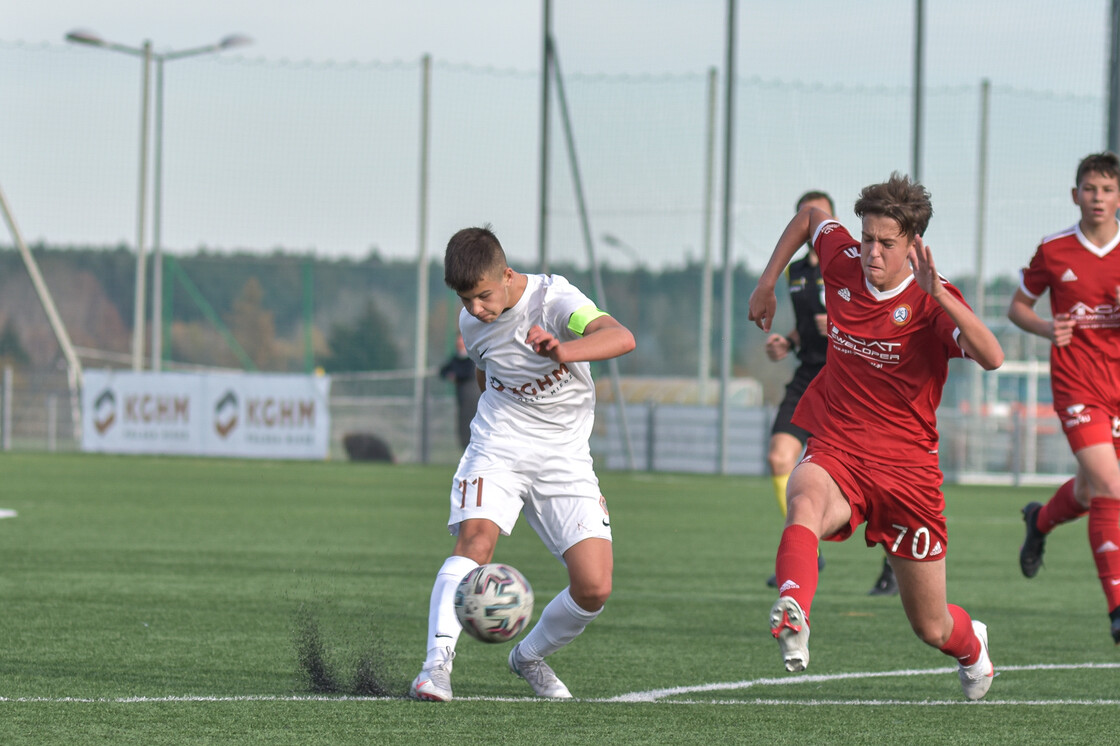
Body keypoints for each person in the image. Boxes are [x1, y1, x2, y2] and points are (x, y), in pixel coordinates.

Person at [747, 173, 1005, 700]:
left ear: (914, 245)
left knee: (931, 626)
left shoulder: (932, 301)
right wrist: (767, 282)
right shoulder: (841, 263)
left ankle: (971, 646)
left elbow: (992, 355)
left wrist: (945, 299)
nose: (871, 252)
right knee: (804, 502)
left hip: (908, 472)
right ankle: (794, 609)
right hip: (840, 445)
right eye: (867, 238)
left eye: (886, 243)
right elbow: (811, 218)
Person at [410, 225, 636, 701]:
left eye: (483, 295)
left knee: (594, 587)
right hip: (500, 444)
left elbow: (620, 337)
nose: (475, 309)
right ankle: (436, 667)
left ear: (507, 275)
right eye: (465, 298)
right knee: (475, 540)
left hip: (565, 455)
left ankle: (528, 657)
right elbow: (483, 371)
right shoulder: (472, 323)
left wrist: (563, 349)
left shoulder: (556, 302)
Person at [1008, 151, 1120, 644]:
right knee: (1112, 490)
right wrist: (1045, 326)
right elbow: (1018, 308)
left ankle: (1040, 520)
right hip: (1078, 387)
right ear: (1076, 195)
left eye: (1107, 189)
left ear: (1118, 197)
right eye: (1090, 189)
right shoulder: (1053, 250)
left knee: (1091, 490)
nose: (1098, 198)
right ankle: (1118, 609)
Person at [763, 190, 898, 597]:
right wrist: (786, 341)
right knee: (779, 456)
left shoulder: (861, 265)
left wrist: (841, 328)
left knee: (885, 479)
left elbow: (883, 316)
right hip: (810, 373)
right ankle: (807, 548)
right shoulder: (797, 271)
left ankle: (893, 564)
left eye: (818, 214)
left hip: (855, 376)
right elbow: (805, 322)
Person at [440, 333, 481, 449]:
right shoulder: (456, 359)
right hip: (462, 399)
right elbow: (443, 371)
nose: (459, 343)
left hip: (473, 399)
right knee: (463, 427)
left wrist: (456, 376)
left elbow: (468, 373)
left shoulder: (473, 358)